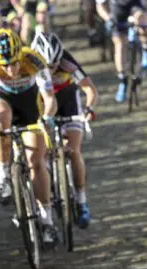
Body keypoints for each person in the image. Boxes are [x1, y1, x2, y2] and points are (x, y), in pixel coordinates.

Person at [0, 29, 59, 246]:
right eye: (5, 65)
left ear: (21, 55)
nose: (11, 69)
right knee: (2, 119)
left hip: (30, 103)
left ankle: (47, 219)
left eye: (14, 63)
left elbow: (49, 98)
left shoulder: (33, 59)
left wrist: (47, 117)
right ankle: (3, 175)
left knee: (36, 163)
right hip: (2, 99)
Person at [31, 32, 97, 228]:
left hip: (68, 102)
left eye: (54, 65)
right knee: (43, 152)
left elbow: (90, 90)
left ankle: (81, 200)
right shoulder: (29, 62)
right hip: (42, 104)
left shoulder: (68, 63)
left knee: (74, 150)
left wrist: (89, 109)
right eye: (46, 65)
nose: (50, 70)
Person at [96, 0, 147, 102]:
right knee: (119, 43)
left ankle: (146, 50)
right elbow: (100, 6)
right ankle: (123, 80)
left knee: (141, 19)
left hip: (136, 5)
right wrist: (108, 19)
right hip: (117, 8)